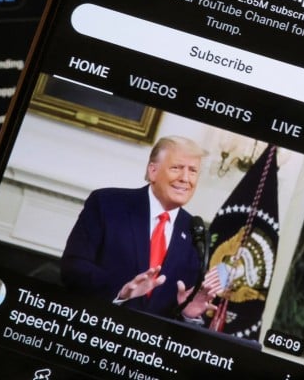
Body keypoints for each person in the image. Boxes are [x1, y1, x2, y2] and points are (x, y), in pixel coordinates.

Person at [60, 136, 219, 319]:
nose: (185, 178)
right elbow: (73, 267)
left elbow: (185, 302)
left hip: (148, 344)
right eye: (176, 168)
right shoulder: (107, 204)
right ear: (152, 171)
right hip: (96, 326)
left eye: (193, 171)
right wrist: (120, 293)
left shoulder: (195, 231)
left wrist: (187, 314)